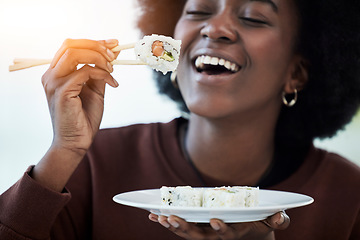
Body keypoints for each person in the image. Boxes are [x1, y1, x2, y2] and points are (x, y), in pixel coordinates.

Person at [1, 0, 359, 239]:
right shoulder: (95, 160)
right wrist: (64, 149)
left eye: (253, 17)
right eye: (199, 10)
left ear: (296, 73)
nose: (215, 27)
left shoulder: (348, 194)